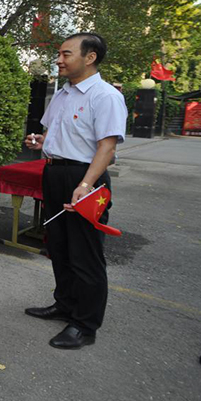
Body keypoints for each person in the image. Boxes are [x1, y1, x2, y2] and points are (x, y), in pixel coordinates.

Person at [24, 32, 127, 349]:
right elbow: (58, 134)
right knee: (59, 246)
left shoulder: (105, 96)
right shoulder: (63, 94)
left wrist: (86, 184)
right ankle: (65, 304)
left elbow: (106, 147)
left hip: (85, 178)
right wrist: (42, 142)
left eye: (66, 54)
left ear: (90, 57)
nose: (59, 60)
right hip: (55, 173)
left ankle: (84, 324)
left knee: (85, 253)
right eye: (59, 54)